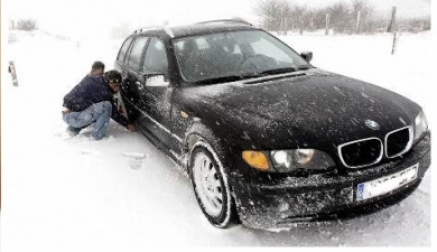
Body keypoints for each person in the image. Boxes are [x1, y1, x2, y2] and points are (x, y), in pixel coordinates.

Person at [62, 70, 135, 140]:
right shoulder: (102, 90)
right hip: (73, 116)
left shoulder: (98, 82)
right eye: (113, 82)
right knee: (106, 106)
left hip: (72, 115)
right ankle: (97, 136)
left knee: (96, 110)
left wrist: (73, 108)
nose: (116, 85)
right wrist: (127, 124)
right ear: (107, 81)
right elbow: (113, 111)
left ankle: (72, 130)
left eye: (118, 82)